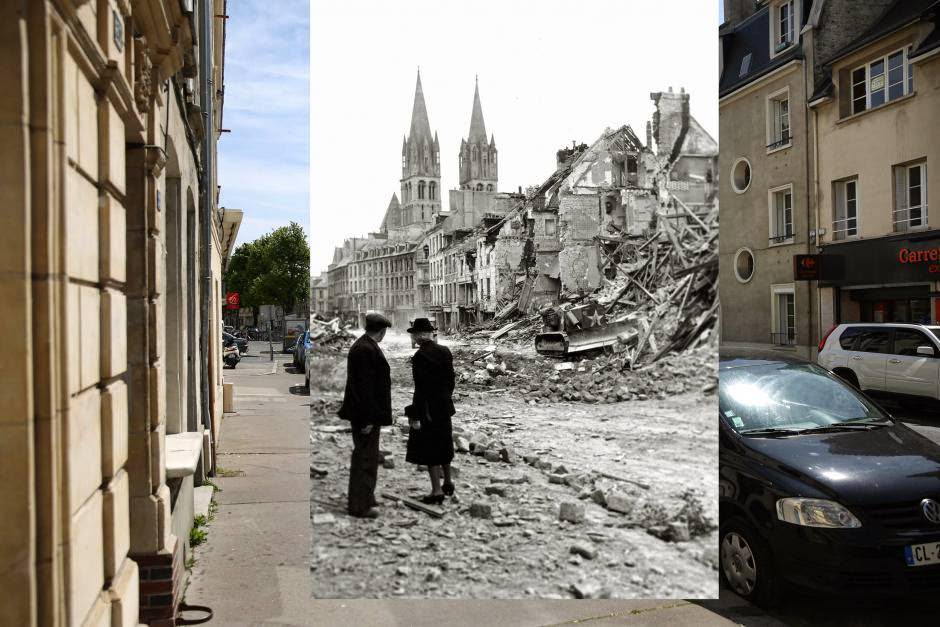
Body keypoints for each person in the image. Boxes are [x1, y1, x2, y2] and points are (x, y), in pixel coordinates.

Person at [337, 312, 392, 518]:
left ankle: (366, 497)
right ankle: (360, 506)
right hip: (365, 415)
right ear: (382, 331)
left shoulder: (364, 346)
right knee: (365, 459)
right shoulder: (365, 349)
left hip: (366, 413)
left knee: (367, 456)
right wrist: (369, 418)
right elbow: (365, 388)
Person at [404, 318, 456, 504]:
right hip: (444, 406)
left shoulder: (419, 357)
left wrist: (415, 414)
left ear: (418, 336)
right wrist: (445, 398)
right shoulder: (445, 351)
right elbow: (451, 381)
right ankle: (448, 482)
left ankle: (436, 491)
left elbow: (421, 389)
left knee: (430, 448)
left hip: (428, 410)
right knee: (445, 443)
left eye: (414, 334)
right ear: (430, 334)